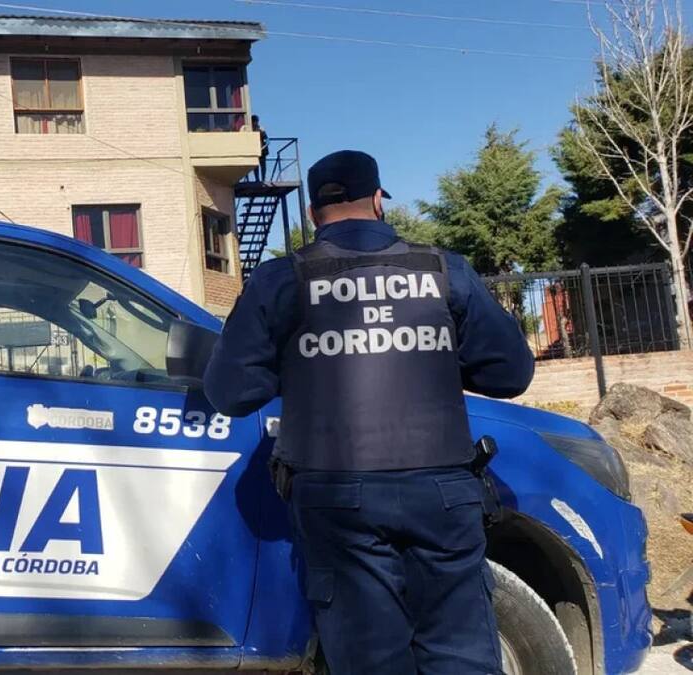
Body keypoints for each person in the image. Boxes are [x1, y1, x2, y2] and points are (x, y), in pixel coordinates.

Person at [203, 150, 534, 674]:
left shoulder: (281, 280)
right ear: (378, 200)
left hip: (338, 500)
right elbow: (510, 374)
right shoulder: (444, 271)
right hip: (444, 494)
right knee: (461, 657)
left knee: (369, 661)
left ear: (314, 214)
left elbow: (230, 392)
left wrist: (299, 361)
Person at [252, 114, 269, 181]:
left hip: (261, 150)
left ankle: (262, 179)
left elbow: (267, 140)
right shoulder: (253, 130)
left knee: (262, 165)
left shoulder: (260, 130)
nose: (255, 123)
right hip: (256, 150)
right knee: (257, 165)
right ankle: (258, 179)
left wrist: (263, 147)